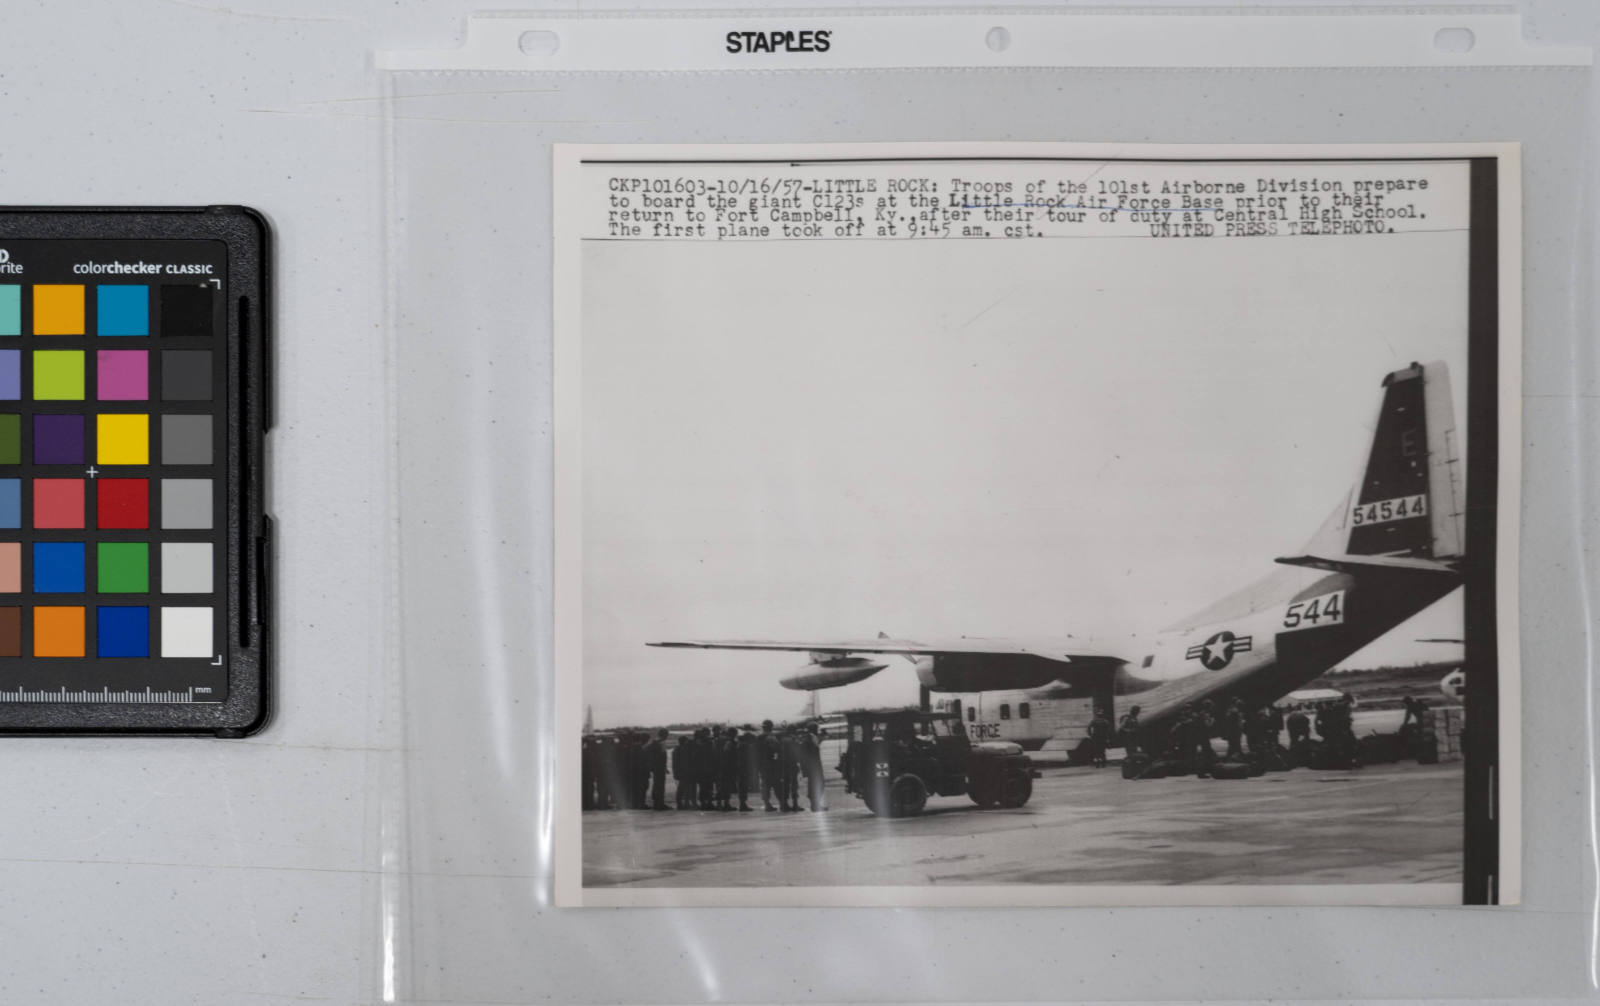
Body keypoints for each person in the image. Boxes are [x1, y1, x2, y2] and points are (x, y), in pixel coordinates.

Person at [800, 723, 827, 811]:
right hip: (813, 767)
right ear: (814, 729)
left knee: (816, 785)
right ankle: (815, 805)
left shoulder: (810, 738)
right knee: (818, 785)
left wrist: (823, 735)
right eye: (817, 729)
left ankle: (815, 804)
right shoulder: (809, 739)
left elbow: (817, 742)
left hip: (813, 767)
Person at [758, 719, 781, 811]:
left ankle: (767, 804)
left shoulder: (759, 737)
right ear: (771, 727)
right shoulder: (772, 737)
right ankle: (782, 803)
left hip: (762, 764)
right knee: (776, 784)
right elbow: (776, 748)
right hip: (771, 763)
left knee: (765, 785)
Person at [645, 729, 670, 810]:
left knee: (657, 785)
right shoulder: (661, 743)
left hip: (656, 767)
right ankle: (659, 804)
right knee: (660, 785)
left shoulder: (654, 742)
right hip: (659, 767)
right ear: (664, 735)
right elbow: (662, 756)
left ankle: (657, 803)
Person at [780, 731, 802, 811]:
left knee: (785, 785)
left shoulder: (781, 740)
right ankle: (795, 804)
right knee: (794, 785)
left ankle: (784, 804)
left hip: (783, 765)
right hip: (792, 765)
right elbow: (797, 753)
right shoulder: (793, 740)